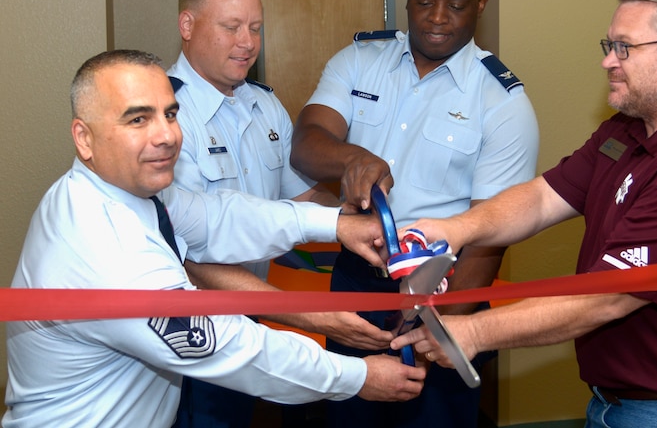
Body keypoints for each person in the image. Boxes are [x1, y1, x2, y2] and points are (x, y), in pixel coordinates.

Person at [392, 0, 657, 427]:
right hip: (619, 403)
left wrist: (474, 331)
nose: (607, 61)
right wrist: (455, 229)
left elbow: (606, 297)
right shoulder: (628, 128)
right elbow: (542, 198)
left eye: (625, 48)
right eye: (608, 44)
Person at [3, 50, 426, 428]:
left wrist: (337, 224)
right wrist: (357, 377)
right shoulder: (104, 243)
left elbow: (222, 216)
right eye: (138, 119)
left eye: (169, 113)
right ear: (84, 138)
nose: (166, 135)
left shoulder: (129, 193)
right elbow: (227, 346)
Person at [290, 0, 539, 428]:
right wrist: (351, 158)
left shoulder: (503, 103)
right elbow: (306, 142)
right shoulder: (359, 60)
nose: (438, 17)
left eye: (457, 4)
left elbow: (492, 238)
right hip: (359, 283)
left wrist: (437, 327)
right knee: (347, 419)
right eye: (425, 1)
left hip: (446, 288)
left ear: (481, 3)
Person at [167, 0, 394, 427]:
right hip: (189, 328)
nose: (248, 43)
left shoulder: (265, 106)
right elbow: (188, 256)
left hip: (247, 320)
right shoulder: (165, 119)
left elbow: (303, 201)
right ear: (187, 25)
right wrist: (312, 317)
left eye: (255, 27)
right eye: (231, 27)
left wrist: (375, 227)